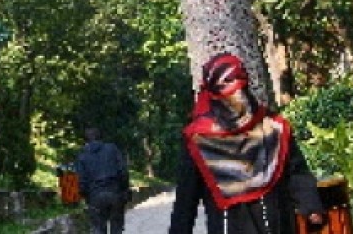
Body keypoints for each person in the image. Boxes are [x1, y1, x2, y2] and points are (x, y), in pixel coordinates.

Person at [169, 53, 326, 234]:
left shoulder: (272, 127)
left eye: (238, 82)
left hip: (277, 222)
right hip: (230, 226)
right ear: (212, 92)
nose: (234, 92)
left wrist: (311, 205)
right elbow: (186, 199)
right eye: (224, 86)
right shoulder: (199, 138)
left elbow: (296, 171)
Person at [76, 127, 130, 233]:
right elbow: (123, 171)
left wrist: (86, 196)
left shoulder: (82, 156)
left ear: (86, 140)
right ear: (100, 137)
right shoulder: (112, 149)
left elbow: (81, 181)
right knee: (117, 228)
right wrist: (124, 190)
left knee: (98, 228)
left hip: (95, 196)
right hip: (115, 193)